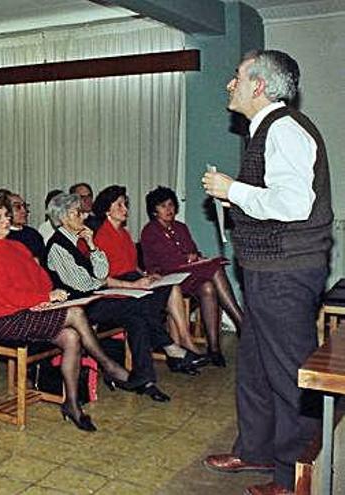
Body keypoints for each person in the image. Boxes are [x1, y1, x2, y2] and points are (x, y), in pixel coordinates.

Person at [202, 50, 332, 495]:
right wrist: (233, 199)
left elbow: (295, 206)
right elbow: (271, 199)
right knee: (255, 368)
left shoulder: (286, 130)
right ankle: (256, 450)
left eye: (236, 76)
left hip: (285, 274)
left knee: (290, 374)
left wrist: (232, 189)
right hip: (265, 270)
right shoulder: (265, 131)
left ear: (258, 85)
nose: (228, 85)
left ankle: (293, 475)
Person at [0, 193, 131, 430]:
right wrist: (43, 298)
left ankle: (72, 404)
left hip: (28, 311)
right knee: (75, 313)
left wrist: (44, 298)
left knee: (72, 337)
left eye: (6, 215)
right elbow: (5, 295)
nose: (6, 220)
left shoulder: (16, 246)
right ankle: (108, 365)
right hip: (6, 319)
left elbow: (43, 279)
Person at [44, 193, 183, 402]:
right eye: (77, 213)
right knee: (140, 307)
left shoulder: (79, 241)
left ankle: (146, 380)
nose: (83, 216)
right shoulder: (58, 246)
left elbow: (102, 271)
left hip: (93, 299)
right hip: (79, 308)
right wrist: (101, 281)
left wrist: (92, 245)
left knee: (137, 318)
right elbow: (82, 284)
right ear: (64, 218)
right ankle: (168, 345)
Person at [92, 185, 205, 369]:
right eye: (119, 205)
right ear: (107, 211)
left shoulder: (124, 234)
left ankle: (183, 343)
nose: (125, 209)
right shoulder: (101, 237)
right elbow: (102, 278)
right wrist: (135, 284)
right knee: (152, 301)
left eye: (125, 205)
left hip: (132, 280)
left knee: (172, 287)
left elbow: (131, 265)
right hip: (116, 288)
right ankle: (177, 350)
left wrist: (145, 275)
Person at [140, 186, 243, 367]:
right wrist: (189, 258)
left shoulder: (181, 227)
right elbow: (165, 263)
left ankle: (214, 348)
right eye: (163, 206)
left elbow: (193, 250)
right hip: (167, 278)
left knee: (209, 287)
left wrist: (196, 257)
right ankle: (241, 321)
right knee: (216, 269)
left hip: (187, 275)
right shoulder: (150, 231)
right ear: (154, 211)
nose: (169, 209)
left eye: (171, 205)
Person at [4, 191, 45, 259]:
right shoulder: (3, 235)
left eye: (24, 206)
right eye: (17, 207)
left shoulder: (33, 234)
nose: (24, 211)